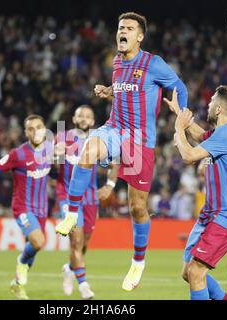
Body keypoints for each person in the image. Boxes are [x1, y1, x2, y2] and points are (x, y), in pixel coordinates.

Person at [55, 12, 188, 291]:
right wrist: (109, 91)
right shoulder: (116, 62)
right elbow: (127, 90)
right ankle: (71, 213)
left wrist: (180, 113)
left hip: (140, 141)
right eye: (120, 28)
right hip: (114, 129)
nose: (122, 32)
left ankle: (138, 261)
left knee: (138, 208)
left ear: (140, 36)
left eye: (128, 28)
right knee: (87, 151)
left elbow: (179, 86)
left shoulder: (154, 63)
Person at [164, 85, 227, 300]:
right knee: (187, 272)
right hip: (211, 213)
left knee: (196, 272)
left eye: (211, 102)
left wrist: (178, 129)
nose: (208, 104)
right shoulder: (225, 132)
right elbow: (201, 135)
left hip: (225, 215)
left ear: (219, 109)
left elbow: (189, 156)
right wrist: (179, 113)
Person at [0, 115, 52, 300]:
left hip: (42, 208)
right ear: (25, 133)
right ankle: (21, 261)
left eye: (39, 127)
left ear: (45, 129)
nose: (35, 131)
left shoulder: (50, 150)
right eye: (30, 128)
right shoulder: (18, 154)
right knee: (38, 241)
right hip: (23, 207)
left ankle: (18, 285)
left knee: (36, 244)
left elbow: (56, 172)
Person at [55, 105, 118, 299]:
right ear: (74, 118)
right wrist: (56, 155)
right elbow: (50, 164)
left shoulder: (97, 139)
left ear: (92, 121)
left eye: (88, 116)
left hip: (90, 198)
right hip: (67, 196)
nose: (83, 119)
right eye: (80, 115)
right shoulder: (61, 137)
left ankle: (69, 268)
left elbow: (114, 163)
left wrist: (109, 185)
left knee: (84, 244)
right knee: (76, 239)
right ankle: (83, 286)